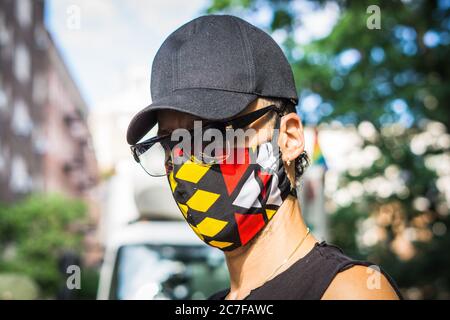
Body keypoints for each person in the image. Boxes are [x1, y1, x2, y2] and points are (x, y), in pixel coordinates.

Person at [126, 15, 402, 300]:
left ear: (290, 138)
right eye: (170, 142)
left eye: (213, 133)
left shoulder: (348, 292)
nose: (184, 162)